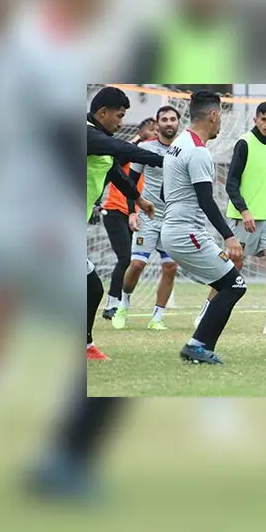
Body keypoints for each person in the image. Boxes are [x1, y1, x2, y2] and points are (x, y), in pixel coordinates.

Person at [192, 101, 266, 335]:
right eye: (264, 119)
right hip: (242, 219)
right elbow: (231, 185)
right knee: (231, 269)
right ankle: (205, 313)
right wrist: (245, 211)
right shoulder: (244, 144)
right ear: (255, 120)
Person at [160, 90, 245, 365]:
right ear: (213, 115)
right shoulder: (197, 152)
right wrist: (229, 236)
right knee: (235, 285)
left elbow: (164, 193)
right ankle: (197, 345)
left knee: (227, 284)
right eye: (221, 116)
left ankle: (198, 344)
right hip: (187, 234)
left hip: (174, 230)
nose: (221, 122)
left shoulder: (178, 143)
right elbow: (206, 200)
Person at [85, 87, 161, 361]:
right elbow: (123, 149)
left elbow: (116, 173)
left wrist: (138, 200)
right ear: (102, 113)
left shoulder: (99, 140)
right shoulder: (87, 134)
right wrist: (163, 159)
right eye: (119, 116)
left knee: (90, 287)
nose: (121, 123)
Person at [111, 106, 181, 330]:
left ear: (178, 123)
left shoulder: (185, 149)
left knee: (170, 267)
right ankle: (123, 304)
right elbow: (130, 181)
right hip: (149, 216)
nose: (169, 123)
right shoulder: (145, 148)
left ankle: (157, 317)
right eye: (164, 119)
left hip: (173, 219)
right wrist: (132, 211)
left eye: (172, 119)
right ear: (157, 123)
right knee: (137, 263)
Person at [100, 117, 155, 320]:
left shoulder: (147, 157)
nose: (156, 132)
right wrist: (138, 139)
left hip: (136, 214)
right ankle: (111, 304)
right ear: (141, 132)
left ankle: (120, 302)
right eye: (152, 129)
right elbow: (118, 158)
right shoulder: (128, 154)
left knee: (132, 261)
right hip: (115, 211)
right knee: (125, 258)